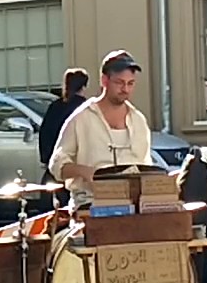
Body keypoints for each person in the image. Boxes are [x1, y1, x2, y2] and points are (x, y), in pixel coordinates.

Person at [48, 49, 154, 207]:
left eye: (130, 83)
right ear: (104, 81)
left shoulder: (138, 121)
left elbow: (146, 167)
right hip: (90, 204)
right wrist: (84, 171)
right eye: (119, 83)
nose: (125, 89)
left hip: (133, 205)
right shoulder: (81, 118)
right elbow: (56, 166)